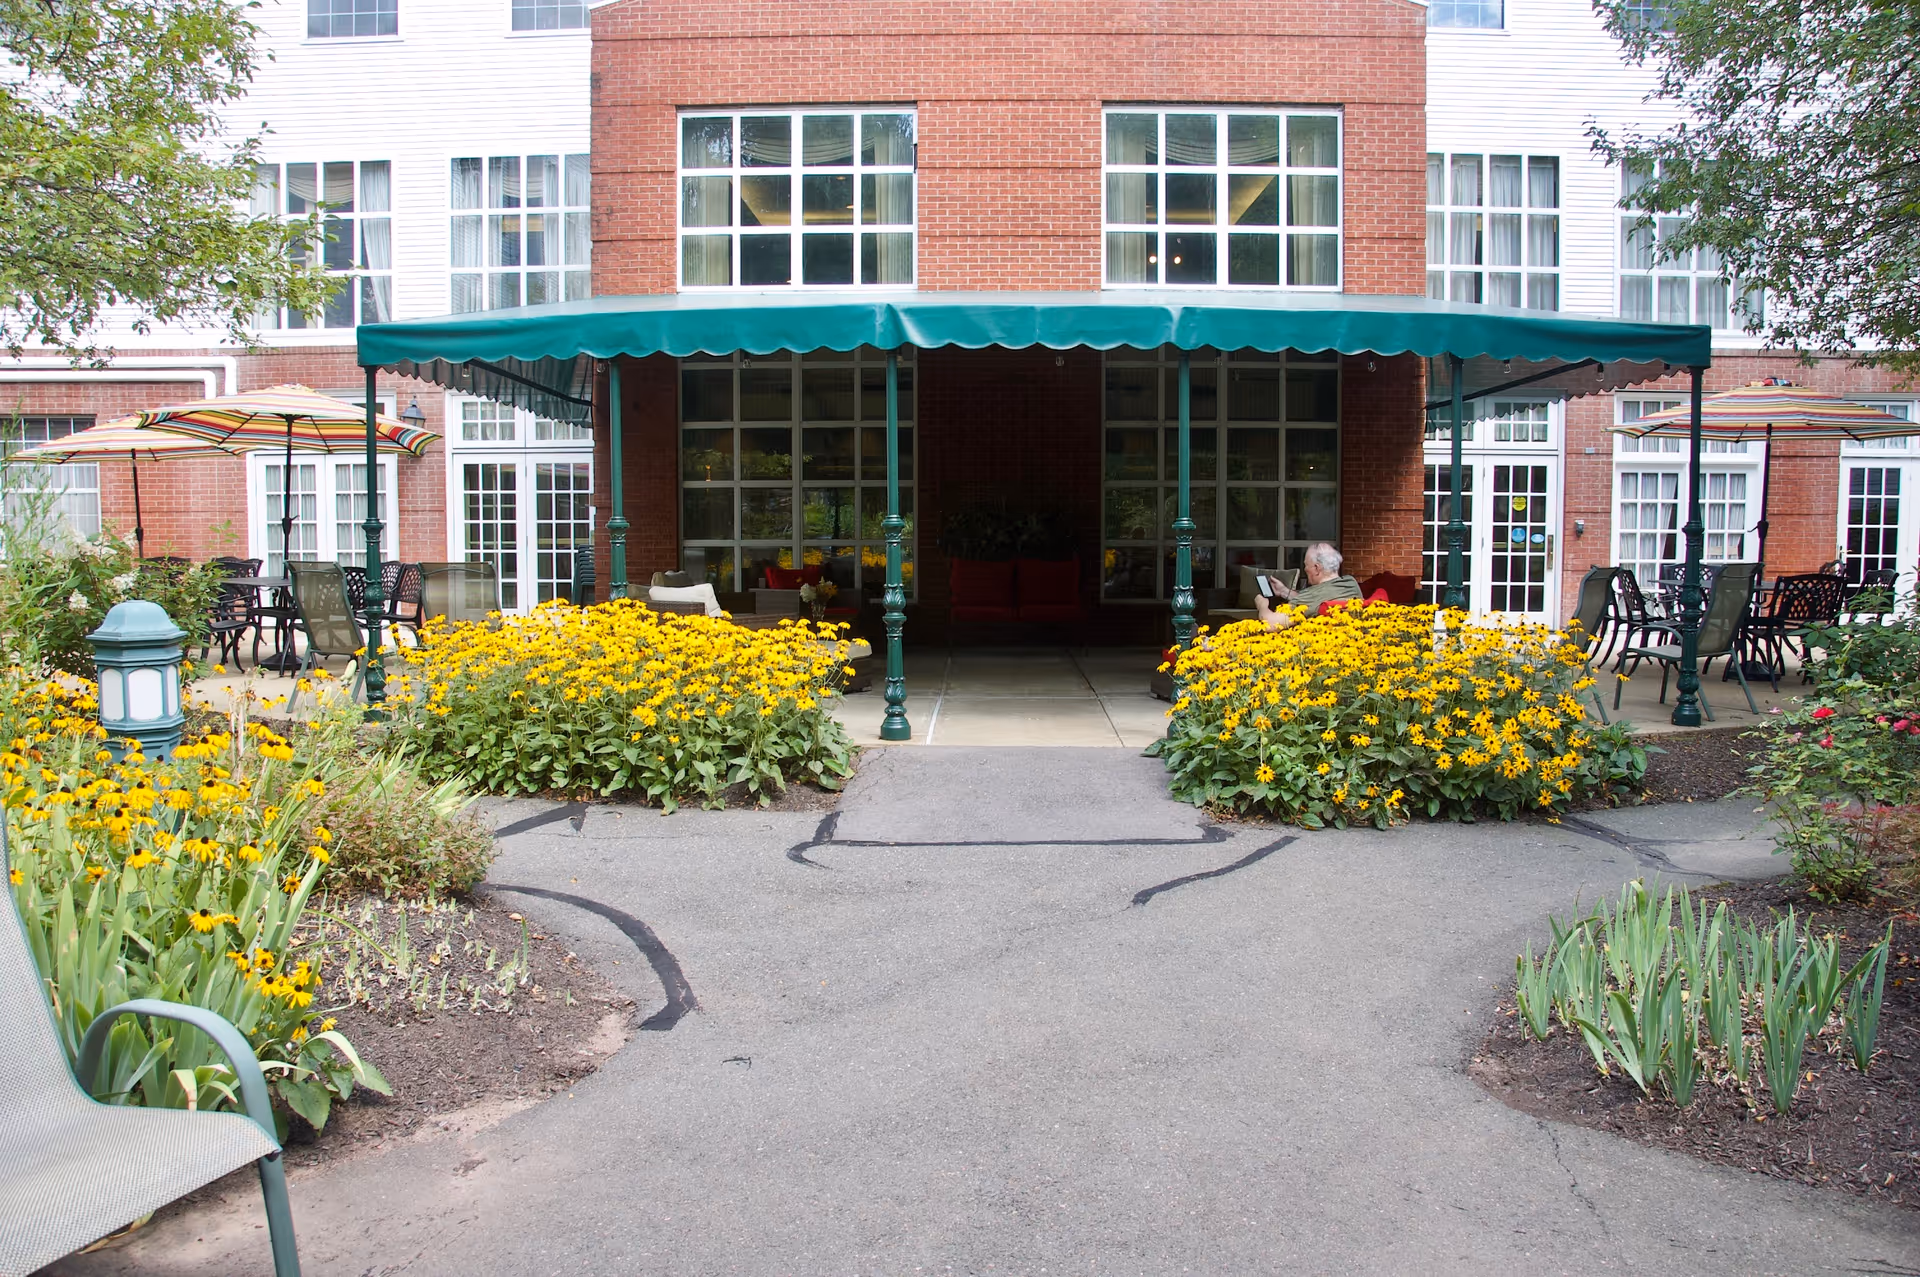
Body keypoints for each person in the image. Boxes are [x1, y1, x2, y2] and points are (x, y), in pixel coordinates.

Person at [1254, 542, 1361, 631]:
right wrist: (1284, 591)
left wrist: (1262, 604)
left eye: (1306, 565)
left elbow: (1270, 624)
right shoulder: (1350, 582)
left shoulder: (1312, 596)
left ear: (1317, 568)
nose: (1304, 569)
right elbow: (1314, 600)